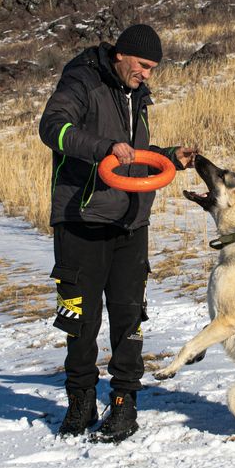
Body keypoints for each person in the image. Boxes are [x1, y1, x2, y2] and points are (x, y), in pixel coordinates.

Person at [38, 23, 196, 442]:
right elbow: (52, 128)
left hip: (131, 222)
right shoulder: (82, 81)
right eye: (143, 65)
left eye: (153, 68)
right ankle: (81, 400)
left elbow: (133, 155)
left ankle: (124, 401)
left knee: (129, 317)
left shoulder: (137, 95)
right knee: (80, 319)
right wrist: (103, 148)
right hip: (82, 221)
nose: (147, 74)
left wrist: (168, 158)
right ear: (121, 55)